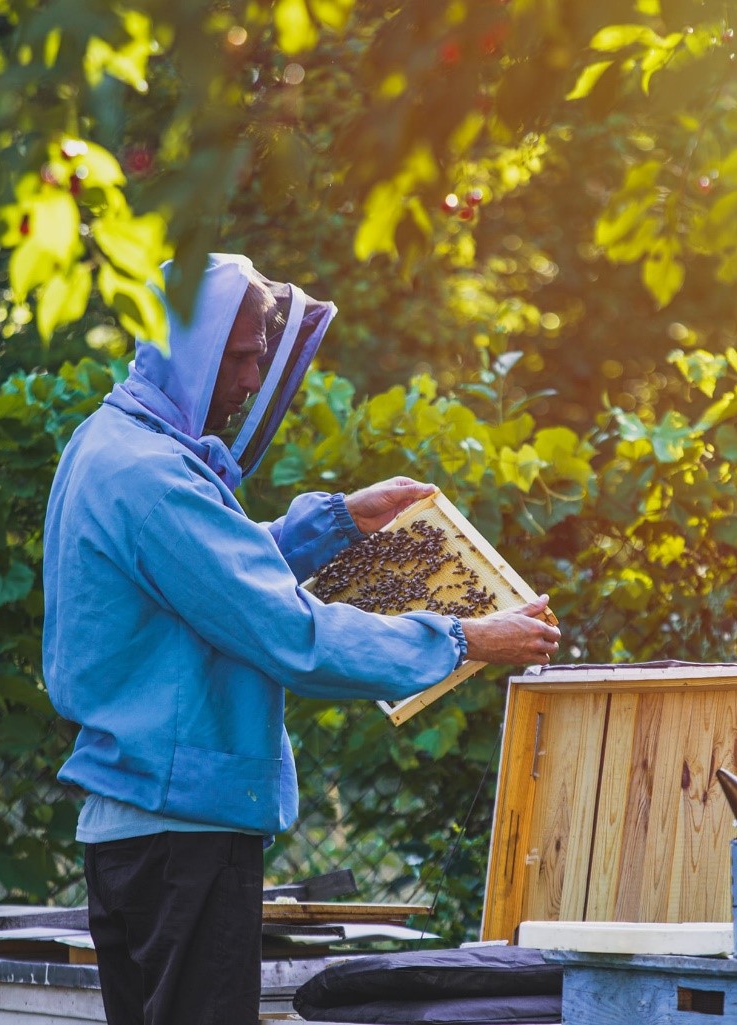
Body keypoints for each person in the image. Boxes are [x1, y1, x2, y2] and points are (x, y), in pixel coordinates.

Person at [41, 253, 561, 1025]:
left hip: (144, 829)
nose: (253, 378)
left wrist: (337, 522)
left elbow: (211, 579)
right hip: (180, 838)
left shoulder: (110, 444)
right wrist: (461, 637)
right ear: (195, 349)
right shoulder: (151, 477)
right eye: (244, 356)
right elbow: (292, 634)